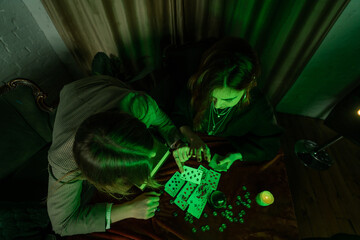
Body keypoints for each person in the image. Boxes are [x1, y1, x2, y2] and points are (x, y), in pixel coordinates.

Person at [47, 75, 189, 236]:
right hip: (71, 95)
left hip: (99, 84)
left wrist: (176, 142)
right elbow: (62, 225)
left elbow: (162, 122)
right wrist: (128, 209)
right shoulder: (63, 163)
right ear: (102, 180)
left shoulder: (139, 105)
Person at [170, 37, 283, 171]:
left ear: (248, 88)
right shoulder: (197, 85)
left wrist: (237, 156)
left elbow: (270, 144)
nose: (217, 105)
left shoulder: (259, 106)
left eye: (229, 100)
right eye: (212, 97)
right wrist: (191, 137)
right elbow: (178, 114)